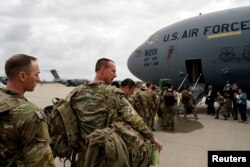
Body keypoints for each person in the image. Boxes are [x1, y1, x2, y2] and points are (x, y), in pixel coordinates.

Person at [70, 58, 162, 167]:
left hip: (84, 156)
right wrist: (152, 138)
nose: (115, 75)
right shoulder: (114, 93)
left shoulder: (76, 92)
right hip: (105, 156)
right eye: (113, 71)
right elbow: (134, 120)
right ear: (103, 70)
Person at [0, 54, 55, 166]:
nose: (38, 79)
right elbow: (42, 162)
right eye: (36, 74)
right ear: (23, 76)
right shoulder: (30, 113)